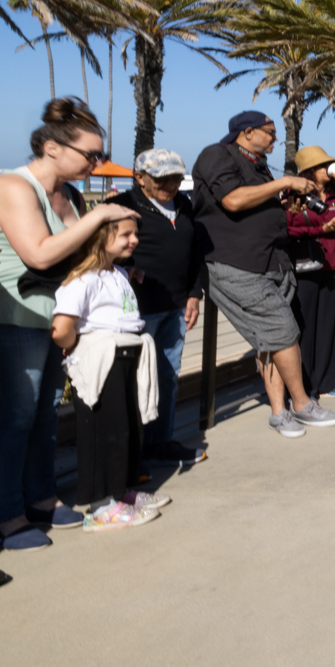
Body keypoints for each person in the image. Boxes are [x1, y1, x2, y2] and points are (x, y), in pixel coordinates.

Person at [0, 100, 131, 548]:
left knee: (43, 416)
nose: (96, 163)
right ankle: (7, 516)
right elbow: (39, 253)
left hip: (52, 318)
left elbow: (75, 256)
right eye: (90, 155)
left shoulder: (72, 195)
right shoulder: (11, 187)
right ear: (52, 148)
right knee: (14, 416)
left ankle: (40, 498)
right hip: (7, 316)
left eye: (100, 155)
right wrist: (101, 215)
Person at [191, 111, 335, 438]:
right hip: (237, 263)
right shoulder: (216, 155)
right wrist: (286, 181)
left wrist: (284, 205)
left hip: (272, 262)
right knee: (284, 331)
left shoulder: (259, 164)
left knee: (270, 340)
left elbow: (256, 203)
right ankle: (303, 405)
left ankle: (279, 413)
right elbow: (232, 200)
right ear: (247, 132)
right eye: (270, 133)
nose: (276, 139)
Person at [51, 212, 166, 531]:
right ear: (100, 239)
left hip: (126, 355)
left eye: (135, 234)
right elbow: (61, 328)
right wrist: (79, 348)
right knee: (104, 431)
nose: (135, 240)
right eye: (126, 235)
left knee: (127, 427)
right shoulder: (82, 280)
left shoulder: (115, 273)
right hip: (103, 360)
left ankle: (121, 491)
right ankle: (102, 504)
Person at [105, 148, 208, 466]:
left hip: (176, 306)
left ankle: (160, 444)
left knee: (167, 377)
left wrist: (195, 293)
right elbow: (98, 252)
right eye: (162, 178)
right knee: (133, 381)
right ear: (139, 177)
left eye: (176, 177)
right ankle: (129, 455)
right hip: (135, 310)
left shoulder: (184, 204)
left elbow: (196, 252)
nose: (171, 184)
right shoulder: (119, 205)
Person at [285, 145, 335, 398]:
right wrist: (322, 229)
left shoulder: (334, 195)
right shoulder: (292, 195)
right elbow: (286, 230)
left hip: (329, 266)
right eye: (323, 166)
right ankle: (305, 387)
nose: (329, 169)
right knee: (305, 326)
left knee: (328, 325)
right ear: (309, 171)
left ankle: (329, 381)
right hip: (303, 268)